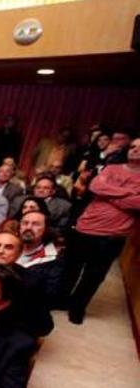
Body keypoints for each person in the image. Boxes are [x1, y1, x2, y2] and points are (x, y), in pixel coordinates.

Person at [62, 137, 140, 324]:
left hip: (113, 236)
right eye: (133, 146)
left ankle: (77, 308)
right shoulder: (112, 168)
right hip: (86, 226)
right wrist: (128, 193)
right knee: (71, 268)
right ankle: (61, 300)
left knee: (93, 275)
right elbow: (95, 185)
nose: (134, 150)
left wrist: (108, 194)